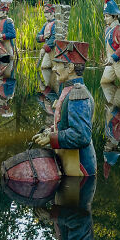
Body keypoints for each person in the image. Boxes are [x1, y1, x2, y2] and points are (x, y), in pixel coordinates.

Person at [34, 40, 96, 177]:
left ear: (70, 67)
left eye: (58, 64)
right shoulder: (68, 89)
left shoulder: (78, 94)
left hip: (80, 170)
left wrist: (52, 138)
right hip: (69, 165)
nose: (54, 69)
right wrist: (49, 131)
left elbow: (81, 136)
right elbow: (64, 122)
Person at [37, 2, 57, 89]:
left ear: (52, 13)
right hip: (48, 50)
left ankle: (54, 84)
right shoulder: (45, 24)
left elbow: (54, 38)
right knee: (44, 67)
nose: (45, 15)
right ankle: (48, 86)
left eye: (47, 13)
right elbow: (38, 37)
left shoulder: (56, 24)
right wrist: (43, 37)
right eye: (44, 13)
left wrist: (44, 48)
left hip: (55, 50)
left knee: (55, 69)